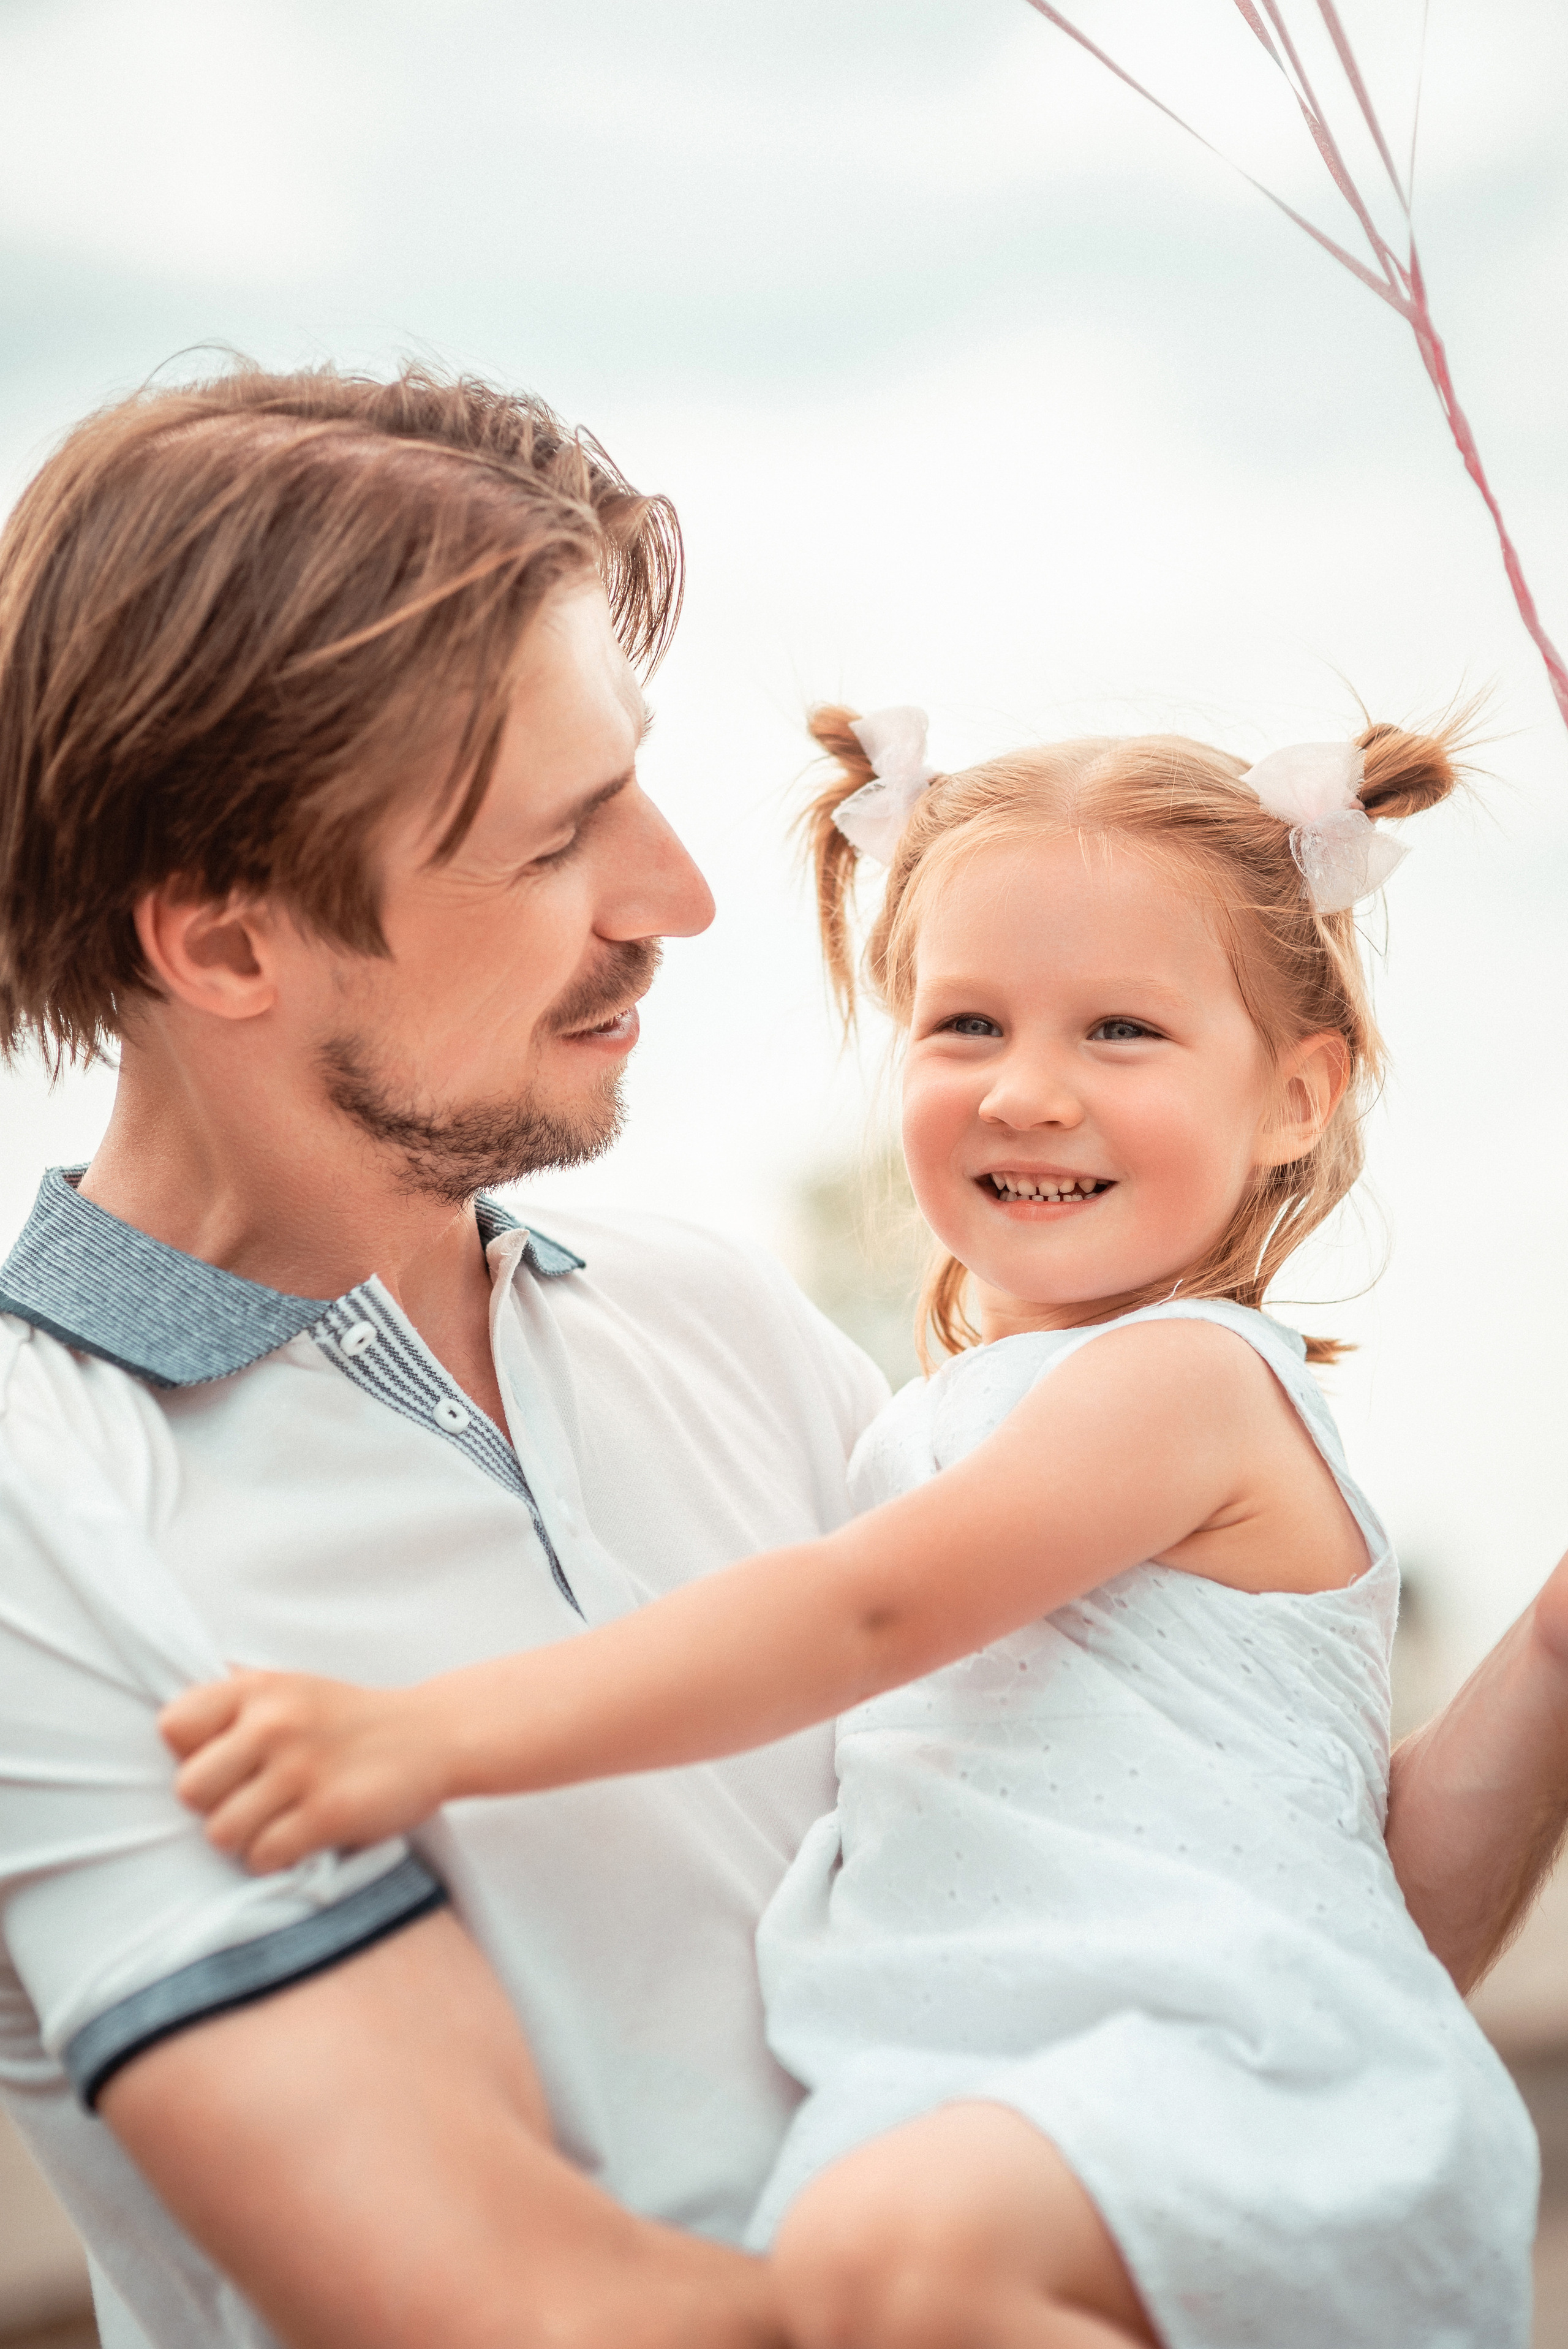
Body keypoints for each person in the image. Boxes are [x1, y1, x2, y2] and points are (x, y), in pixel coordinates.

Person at [0, 363, 1562, 2349]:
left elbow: (1238, 1937)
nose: (690, 894)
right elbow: (509, 2296)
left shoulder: (728, 1331)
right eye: (564, 837)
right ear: (227, 946)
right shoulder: (42, 1503)